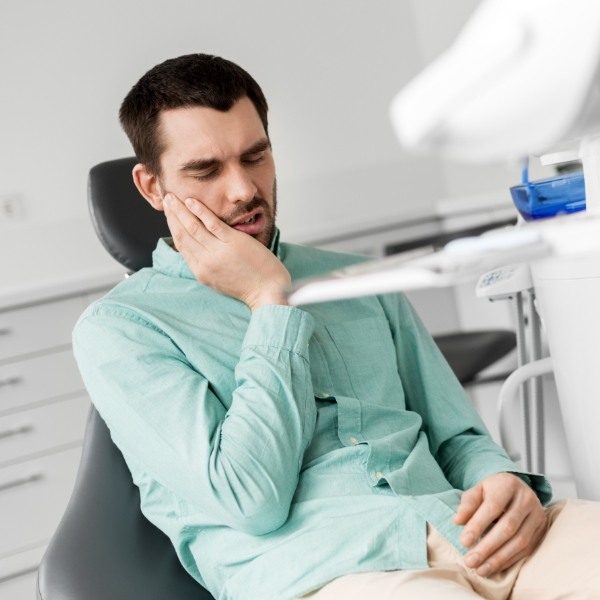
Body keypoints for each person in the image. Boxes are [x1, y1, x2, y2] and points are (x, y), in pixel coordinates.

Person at [73, 53, 600, 600]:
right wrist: (267, 301)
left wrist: (501, 482)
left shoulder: (354, 279)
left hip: (469, 535)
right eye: (205, 171)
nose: (243, 190)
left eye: (256, 157)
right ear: (152, 187)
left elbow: (457, 437)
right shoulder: (121, 329)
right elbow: (250, 500)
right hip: (331, 572)